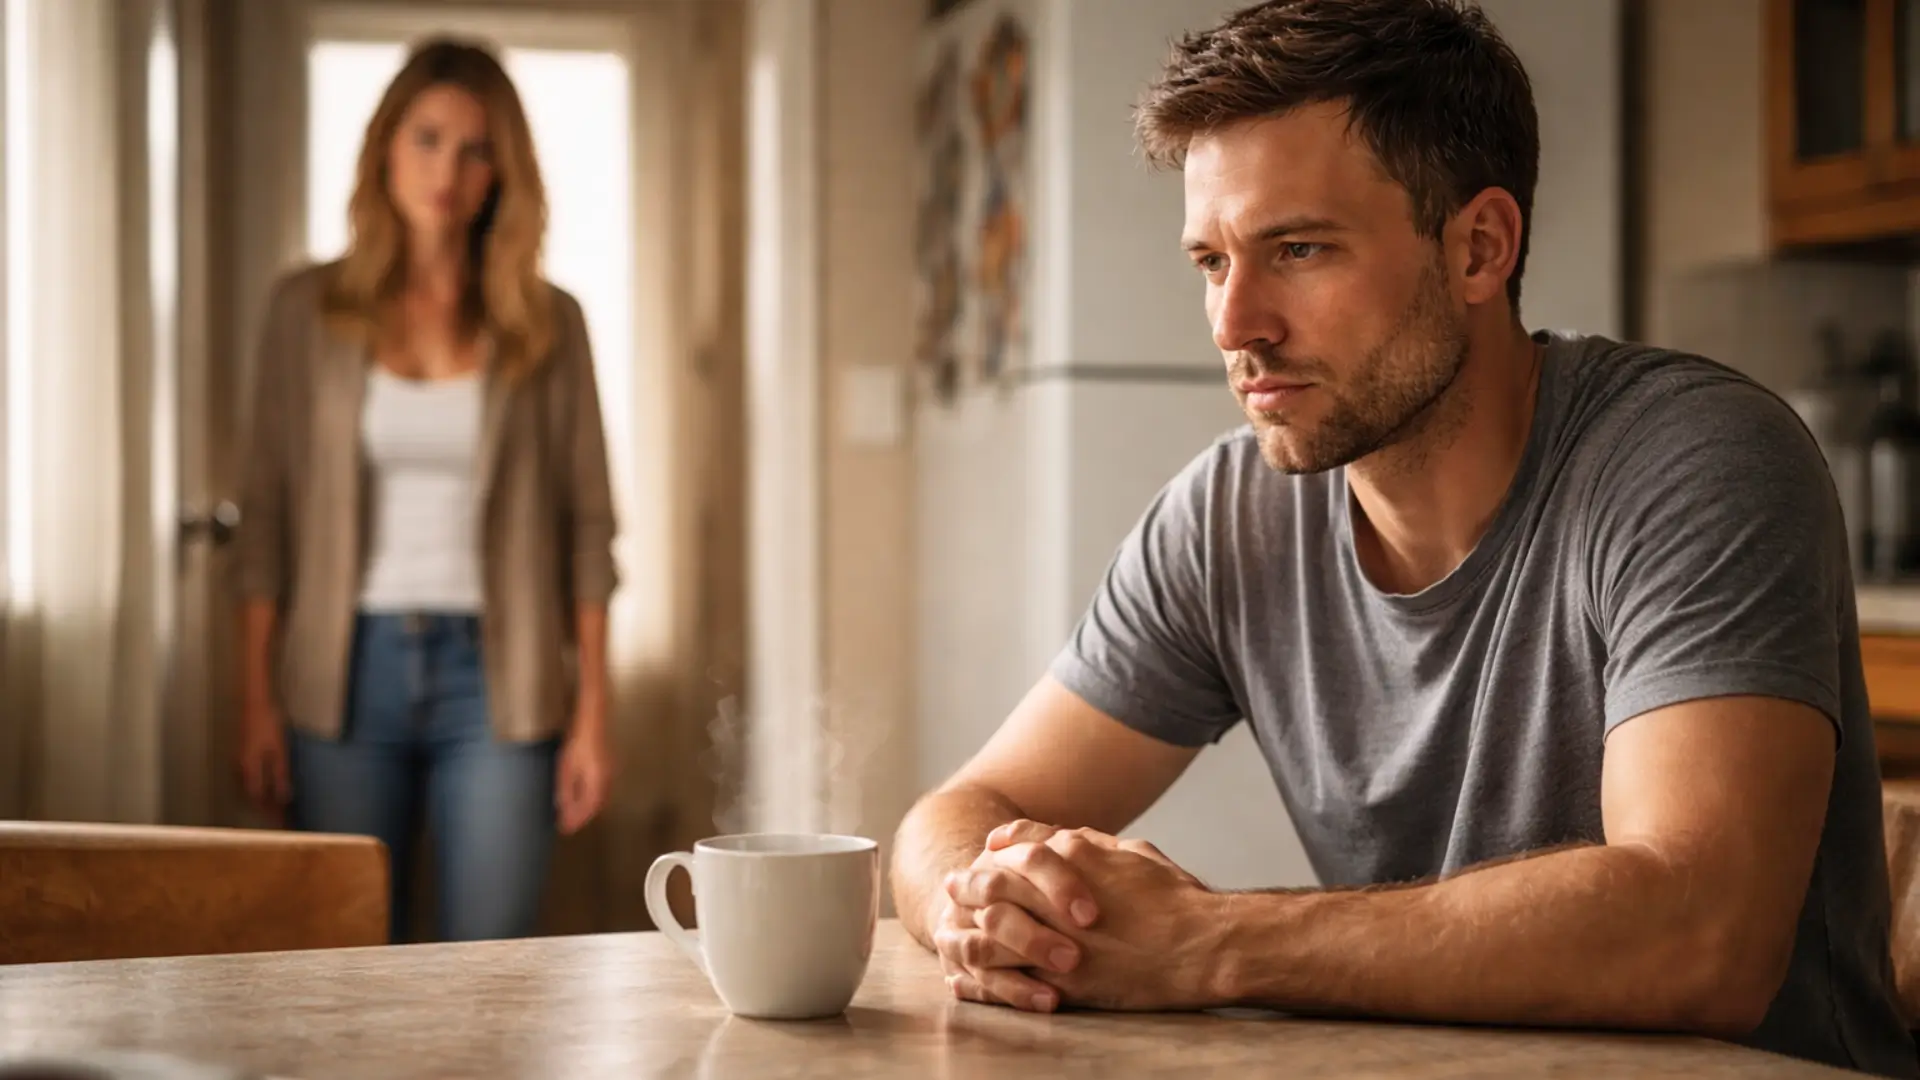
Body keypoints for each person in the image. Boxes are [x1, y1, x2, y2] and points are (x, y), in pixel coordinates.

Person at [889, 1, 1917, 1075]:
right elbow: (959, 813)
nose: (1235, 326)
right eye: (1211, 261)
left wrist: (1208, 941)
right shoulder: (1230, 518)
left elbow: (1702, 934)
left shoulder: (1696, 461)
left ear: (1479, 246)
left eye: (1297, 249)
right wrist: (991, 906)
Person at [233, 38, 619, 944]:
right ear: (384, 149)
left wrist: (593, 714)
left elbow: (590, 530)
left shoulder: (551, 324)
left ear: (504, 171)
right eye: (429, 137)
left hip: (501, 680)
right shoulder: (305, 311)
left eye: (477, 148)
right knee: (349, 956)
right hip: (341, 677)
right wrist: (254, 698)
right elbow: (266, 520)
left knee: (491, 959)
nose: (448, 169)